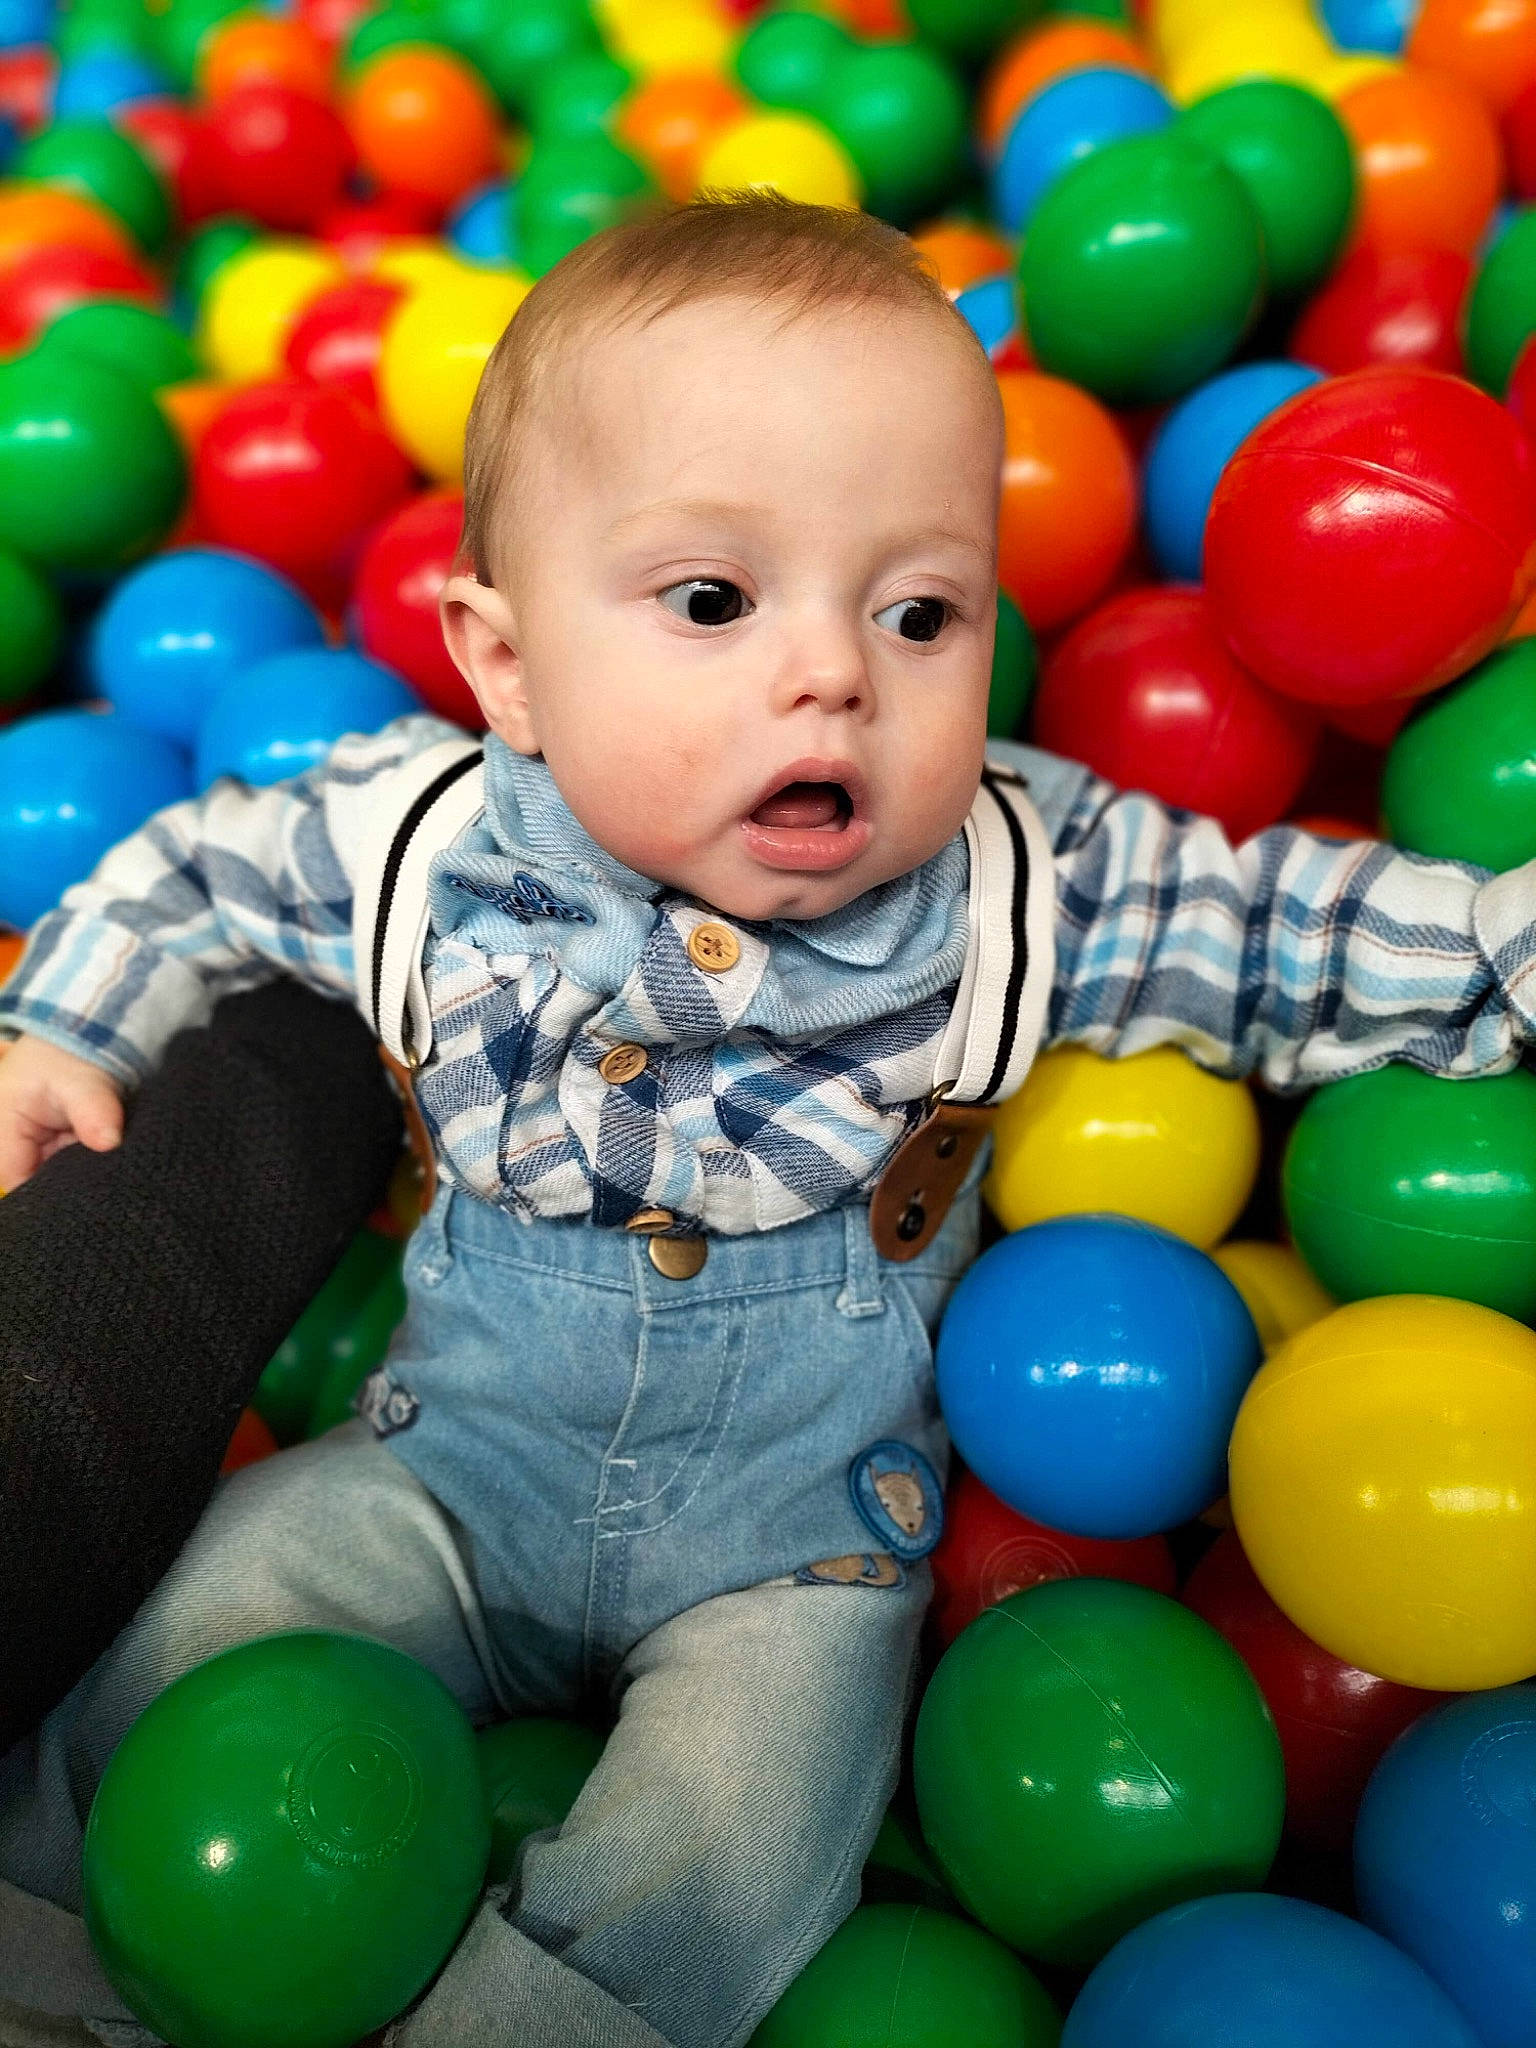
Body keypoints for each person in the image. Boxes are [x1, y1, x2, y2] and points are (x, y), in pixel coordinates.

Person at [0, 194, 1532, 2048]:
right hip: (446, 1476)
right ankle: (64, 1972)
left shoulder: (1018, 881)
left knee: (744, 1847)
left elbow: (1292, 933)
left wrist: (1505, 951)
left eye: (919, 609)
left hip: (788, 1551)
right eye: (714, 601)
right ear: (505, 665)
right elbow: (193, 869)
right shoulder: (420, 845)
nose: (833, 672)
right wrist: (60, 1030)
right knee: (196, 1638)